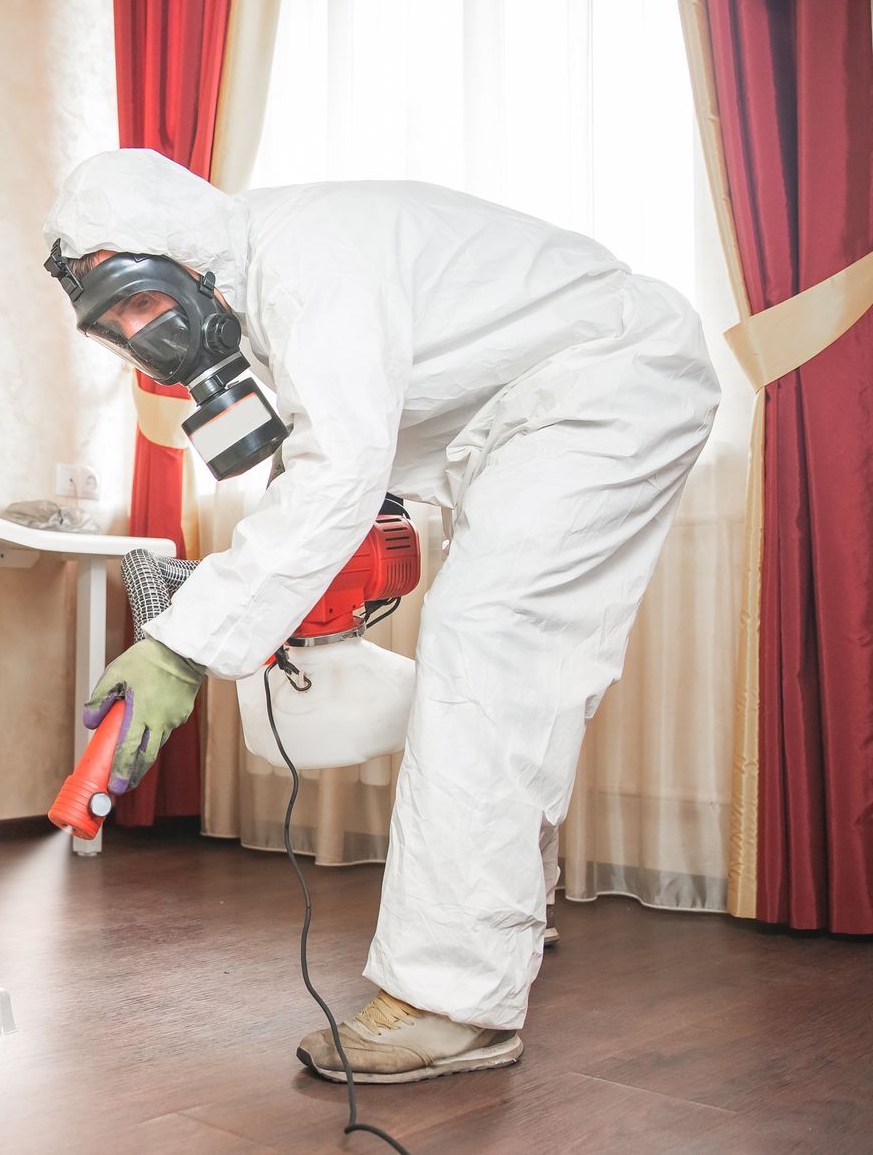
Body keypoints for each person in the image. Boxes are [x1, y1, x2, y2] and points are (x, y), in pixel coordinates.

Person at [44, 149, 719, 1083]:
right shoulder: (254, 292)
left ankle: (452, 1001)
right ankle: (499, 912)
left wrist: (182, 648)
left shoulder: (308, 262)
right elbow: (319, 458)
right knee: (508, 664)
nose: (137, 333)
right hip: (523, 414)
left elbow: (342, 470)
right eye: (113, 323)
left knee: (489, 648)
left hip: (605, 383)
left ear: (181, 260)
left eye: (138, 301)